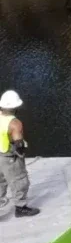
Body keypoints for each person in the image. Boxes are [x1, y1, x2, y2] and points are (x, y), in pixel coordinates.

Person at [0, 90, 39, 218]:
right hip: (9, 158)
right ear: (16, 107)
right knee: (20, 181)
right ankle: (20, 208)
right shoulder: (15, 123)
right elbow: (18, 144)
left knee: (0, 182)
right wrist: (21, 154)